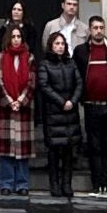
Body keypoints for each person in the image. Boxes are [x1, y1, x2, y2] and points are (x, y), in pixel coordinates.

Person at [73, 16, 107, 194]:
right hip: (90, 105)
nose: (99, 31)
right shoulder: (81, 51)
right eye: (95, 28)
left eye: (101, 27)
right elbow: (76, 76)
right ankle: (96, 184)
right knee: (94, 146)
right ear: (90, 30)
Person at [36, 30, 83, 197]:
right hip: (54, 113)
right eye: (56, 44)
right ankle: (54, 184)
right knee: (54, 152)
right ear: (51, 46)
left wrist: (73, 100)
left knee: (69, 152)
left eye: (62, 44)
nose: (60, 47)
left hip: (70, 113)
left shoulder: (71, 63)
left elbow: (79, 83)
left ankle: (67, 183)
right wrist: (61, 102)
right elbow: (44, 86)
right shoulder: (45, 65)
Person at [0, 24, 36, 194]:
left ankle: (22, 184)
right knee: (6, 149)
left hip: (24, 107)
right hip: (6, 108)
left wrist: (20, 100)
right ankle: (6, 183)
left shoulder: (30, 58)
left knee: (22, 149)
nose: (16, 40)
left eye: (19, 37)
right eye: (13, 37)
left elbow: (32, 82)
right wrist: (9, 100)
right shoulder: (0, 57)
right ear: (8, 39)